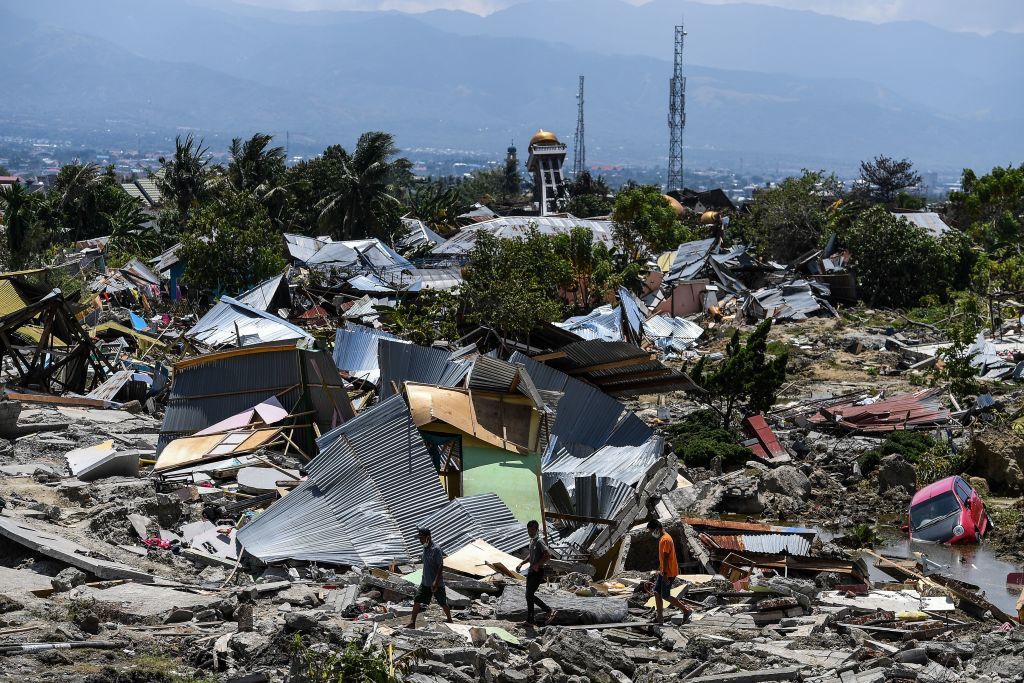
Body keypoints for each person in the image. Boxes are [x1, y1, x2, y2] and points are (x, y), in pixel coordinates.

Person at [647, 520, 691, 625]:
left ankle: (686, 610)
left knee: (665, 595)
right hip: (664, 571)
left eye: (652, 530)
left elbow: (666, 557)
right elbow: (663, 558)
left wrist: (665, 575)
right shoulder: (664, 537)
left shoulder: (665, 539)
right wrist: (660, 570)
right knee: (657, 593)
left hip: (669, 572)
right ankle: (660, 618)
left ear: (657, 529)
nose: (652, 533)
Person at [515, 520, 558, 626]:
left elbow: (547, 555)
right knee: (528, 595)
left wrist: (537, 564)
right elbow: (531, 555)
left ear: (536, 530)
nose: (530, 532)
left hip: (538, 572)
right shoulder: (532, 541)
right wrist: (522, 563)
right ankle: (530, 620)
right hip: (531, 571)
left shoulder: (539, 541)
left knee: (529, 594)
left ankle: (549, 610)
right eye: (528, 530)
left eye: (532, 530)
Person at [408, 528, 452, 628]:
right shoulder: (425, 548)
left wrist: (435, 581)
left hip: (436, 583)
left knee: (442, 602)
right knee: (417, 600)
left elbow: (440, 566)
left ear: (428, 537)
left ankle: (450, 619)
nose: (420, 541)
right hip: (425, 582)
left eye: (421, 538)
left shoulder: (436, 549)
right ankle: (412, 622)